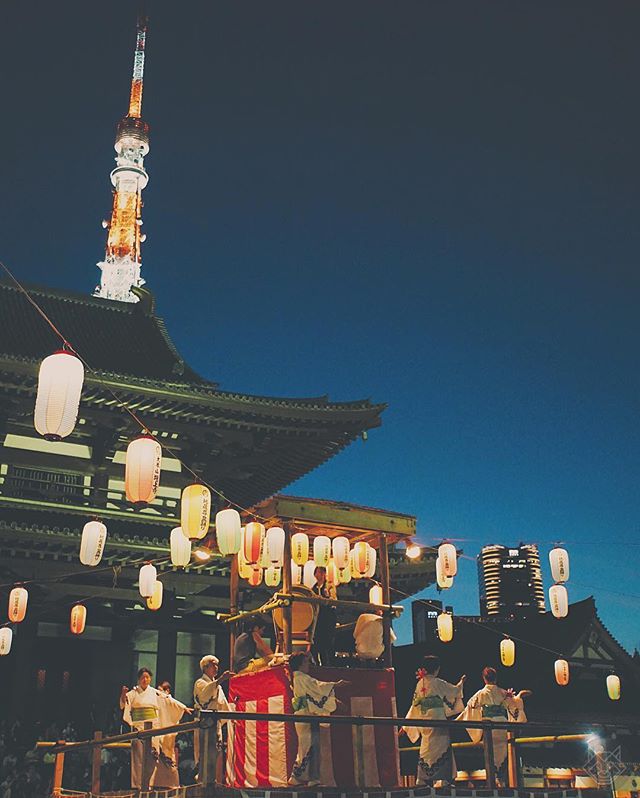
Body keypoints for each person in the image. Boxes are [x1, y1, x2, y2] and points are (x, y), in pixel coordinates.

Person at [120, 667, 192, 790]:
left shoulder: (154, 692)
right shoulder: (133, 693)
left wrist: (183, 707)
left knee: (153, 757)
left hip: (153, 728)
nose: (145, 679)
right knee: (139, 758)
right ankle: (139, 786)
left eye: (147, 677)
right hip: (138, 728)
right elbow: (123, 705)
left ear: (150, 679)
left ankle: (149, 783)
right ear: (138, 679)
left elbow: (168, 700)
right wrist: (122, 695)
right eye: (142, 677)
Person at [457, 666, 531, 784]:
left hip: (489, 727)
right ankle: (500, 778)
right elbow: (514, 705)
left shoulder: (481, 694)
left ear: (484, 679)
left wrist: (458, 719)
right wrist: (519, 697)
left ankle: (494, 779)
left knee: (490, 753)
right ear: (496, 678)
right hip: (502, 725)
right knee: (503, 752)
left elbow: (470, 707)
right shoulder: (503, 693)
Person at [401, 655, 466, 786]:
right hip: (438, 721)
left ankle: (422, 778)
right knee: (442, 748)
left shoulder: (420, 684)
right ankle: (442, 779)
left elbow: (415, 706)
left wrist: (406, 724)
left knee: (425, 748)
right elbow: (454, 691)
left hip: (425, 721)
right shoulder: (438, 682)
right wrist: (461, 683)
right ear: (436, 669)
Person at [288, 652, 346, 786]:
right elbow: (318, 687)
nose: (308, 665)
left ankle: (297, 776)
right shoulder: (302, 678)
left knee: (305, 746)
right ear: (301, 663)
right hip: (307, 715)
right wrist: (336, 685)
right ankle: (312, 778)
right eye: (306, 662)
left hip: (303, 714)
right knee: (311, 746)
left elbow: (315, 691)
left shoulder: (298, 678)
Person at [193, 654, 233, 774]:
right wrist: (221, 679)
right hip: (203, 723)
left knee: (216, 753)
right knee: (203, 754)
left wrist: (232, 717)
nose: (216, 667)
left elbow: (224, 706)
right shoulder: (200, 683)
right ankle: (201, 780)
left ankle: (212, 780)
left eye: (217, 665)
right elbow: (204, 697)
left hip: (216, 723)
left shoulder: (217, 687)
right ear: (205, 668)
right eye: (212, 665)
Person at [311, 566, 337, 666]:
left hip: (328, 617)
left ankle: (329, 664)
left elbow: (333, 599)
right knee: (317, 642)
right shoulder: (313, 588)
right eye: (318, 572)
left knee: (328, 642)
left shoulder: (329, 586)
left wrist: (326, 597)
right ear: (315, 575)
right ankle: (318, 663)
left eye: (322, 573)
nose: (320, 575)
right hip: (318, 618)